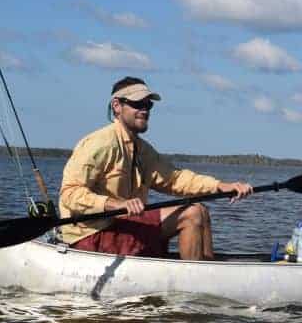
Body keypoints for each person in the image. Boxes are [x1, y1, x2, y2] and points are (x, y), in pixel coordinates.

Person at [58, 76, 253, 259]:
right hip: (90, 235)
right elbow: (70, 193)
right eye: (137, 104)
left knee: (200, 209)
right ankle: (193, 284)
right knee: (192, 214)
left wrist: (221, 186)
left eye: (148, 104)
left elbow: (175, 179)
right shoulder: (99, 143)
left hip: (125, 226)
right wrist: (115, 204)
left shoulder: (143, 150)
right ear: (116, 106)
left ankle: (209, 272)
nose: (144, 109)